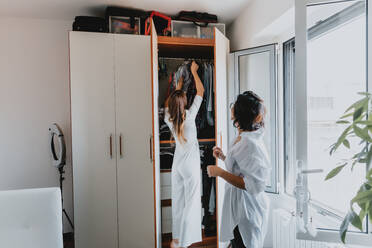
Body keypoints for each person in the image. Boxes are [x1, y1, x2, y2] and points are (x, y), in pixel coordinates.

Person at [207, 91, 270, 248]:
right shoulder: (245, 135)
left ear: (241, 114)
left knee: (242, 242)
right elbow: (243, 167)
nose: (232, 107)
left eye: (235, 105)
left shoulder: (249, 143)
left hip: (247, 209)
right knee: (236, 241)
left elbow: (254, 185)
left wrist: (220, 173)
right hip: (239, 205)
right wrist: (223, 157)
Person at [164, 61, 204, 248]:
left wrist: (178, 88)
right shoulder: (190, 115)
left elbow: (171, 103)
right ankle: (186, 241)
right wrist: (195, 72)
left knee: (178, 202)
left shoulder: (168, 116)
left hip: (177, 165)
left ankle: (176, 239)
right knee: (192, 203)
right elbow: (201, 92)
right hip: (190, 165)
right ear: (184, 103)